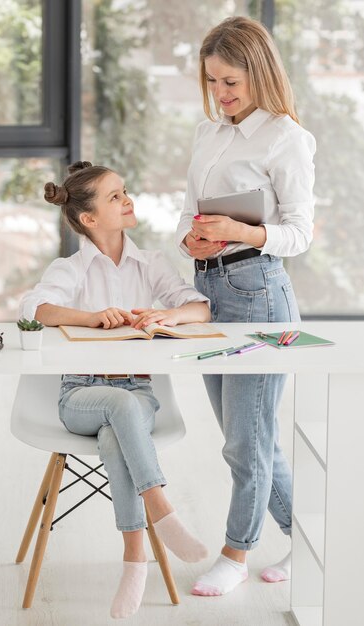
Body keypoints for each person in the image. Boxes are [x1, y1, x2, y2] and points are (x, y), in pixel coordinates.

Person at [20, 160, 210, 619]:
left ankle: (133, 565)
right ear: (88, 219)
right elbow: (33, 308)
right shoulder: (73, 268)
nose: (128, 199)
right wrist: (90, 317)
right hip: (79, 396)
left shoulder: (151, 263)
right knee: (118, 410)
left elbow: (199, 307)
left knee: (116, 430)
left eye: (125, 191)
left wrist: (168, 316)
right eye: (115, 196)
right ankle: (162, 511)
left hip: (137, 394)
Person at [175, 16, 316, 597]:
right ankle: (312, 541)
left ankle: (236, 553)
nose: (222, 93)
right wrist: (192, 238)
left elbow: (300, 234)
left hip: (259, 294)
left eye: (231, 80)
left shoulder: (285, 137)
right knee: (248, 438)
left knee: (246, 442)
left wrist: (241, 230)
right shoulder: (210, 134)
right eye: (212, 81)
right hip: (208, 291)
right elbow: (187, 212)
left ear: (259, 72)